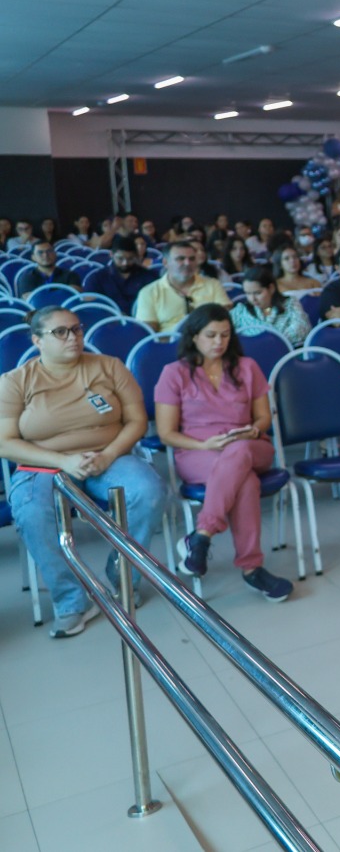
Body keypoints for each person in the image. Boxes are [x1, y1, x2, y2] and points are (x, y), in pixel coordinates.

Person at [0, 307, 168, 638]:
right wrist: (63, 461)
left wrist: (107, 455)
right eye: (60, 332)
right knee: (32, 510)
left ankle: (122, 577)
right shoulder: (16, 381)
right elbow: (5, 442)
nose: (73, 337)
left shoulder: (109, 367)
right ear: (37, 340)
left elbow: (136, 421)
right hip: (44, 463)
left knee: (148, 491)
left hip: (108, 455)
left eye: (76, 329)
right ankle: (72, 601)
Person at [155, 305, 294, 601]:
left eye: (225, 335)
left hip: (250, 445)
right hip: (198, 452)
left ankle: (202, 535)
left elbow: (263, 418)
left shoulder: (247, 367)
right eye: (211, 335)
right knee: (246, 482)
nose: (219, 342)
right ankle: (252, 568)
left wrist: (252, 431)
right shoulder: (174, 373)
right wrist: (204, 445)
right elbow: (167, 433)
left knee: (239, 452)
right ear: (193, 337)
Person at [134, 239, 230, 333]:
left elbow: (226, 318)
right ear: (165, 263)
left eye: (192, 259)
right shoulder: (148, 292)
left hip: (209, 343)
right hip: (169, 345)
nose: (187, 263)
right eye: (180, 259)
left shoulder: (213, 285)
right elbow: (149, 333)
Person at [232, 265, 311, 347]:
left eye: (257, 293)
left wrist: (266, 342)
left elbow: (301, 329)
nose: (252, 298)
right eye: (248, 293)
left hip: (285, 355)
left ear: (271, 288)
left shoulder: (290, 303)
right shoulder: (241, 310)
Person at [14, 240, 82, 297]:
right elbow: (29, 300)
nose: (46, 255)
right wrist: (61, 294)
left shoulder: (70, 275)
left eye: (49, 251)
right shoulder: (27, 277)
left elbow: (75, 296)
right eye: (40, 253)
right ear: (33, 257)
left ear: (55, 254)